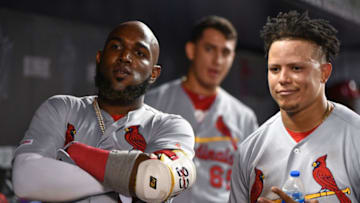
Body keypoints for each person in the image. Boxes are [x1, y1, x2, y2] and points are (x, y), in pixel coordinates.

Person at [12, 21, 196, 203]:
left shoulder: (170, 126)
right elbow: (24, 180)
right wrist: (129, 178)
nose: (125, 56)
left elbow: (158, 179)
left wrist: (77, 156)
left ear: (154, 74)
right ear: (100, 58)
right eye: (116, 47)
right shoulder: (62, 108)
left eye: (139, 53)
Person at [229, 10, 360, 203]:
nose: (283, 79)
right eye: (275, 69)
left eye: (296, 68)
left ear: (324, 72)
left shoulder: (356, 137)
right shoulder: (250, 150)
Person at [145, 16, 258, 203]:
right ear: (191, 50)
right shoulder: (153, 102)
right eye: (209, 49)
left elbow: (253, 182)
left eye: (225, 52)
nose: (217, 60)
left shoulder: (244, 118)